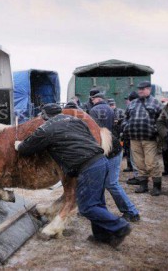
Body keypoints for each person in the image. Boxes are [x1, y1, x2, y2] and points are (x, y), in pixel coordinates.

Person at [15, 103, 131, 246]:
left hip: (87, 167)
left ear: (44, 116)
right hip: (100, 162)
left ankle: (120, 226)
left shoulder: (47, 128)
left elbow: (26, 148)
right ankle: (102, 235)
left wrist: (18, 145)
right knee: (98, 203)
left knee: (87, 207)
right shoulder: (75, 121)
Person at [90, 94, 140, 222]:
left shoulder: (94, 116)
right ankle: (97, 209)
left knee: (111, 183)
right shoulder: (110, 110)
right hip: (109, 149)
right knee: (99, 182)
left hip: (112, 151)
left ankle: (132, 212)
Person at [122, 81, 163, 196]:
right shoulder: (133, 103)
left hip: (149, 138)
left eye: (143, 89)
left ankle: (157, 187)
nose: (140, 91)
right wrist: (126, 126)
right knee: (139, 163)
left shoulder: (156, 103)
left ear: (149, 89)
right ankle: (143, 185)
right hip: (134, 138)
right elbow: (126, 117)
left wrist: (155, 129)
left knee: (151, 163)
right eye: (139, 89)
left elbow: (163, 120)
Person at [122, 92, 140, 185]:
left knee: (136, 157)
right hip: (142, 136)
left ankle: (139, 177)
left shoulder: (131, 108)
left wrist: (125, 129)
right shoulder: (142, 106)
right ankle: (142, 177)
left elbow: (126, 121)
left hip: (133, 136)